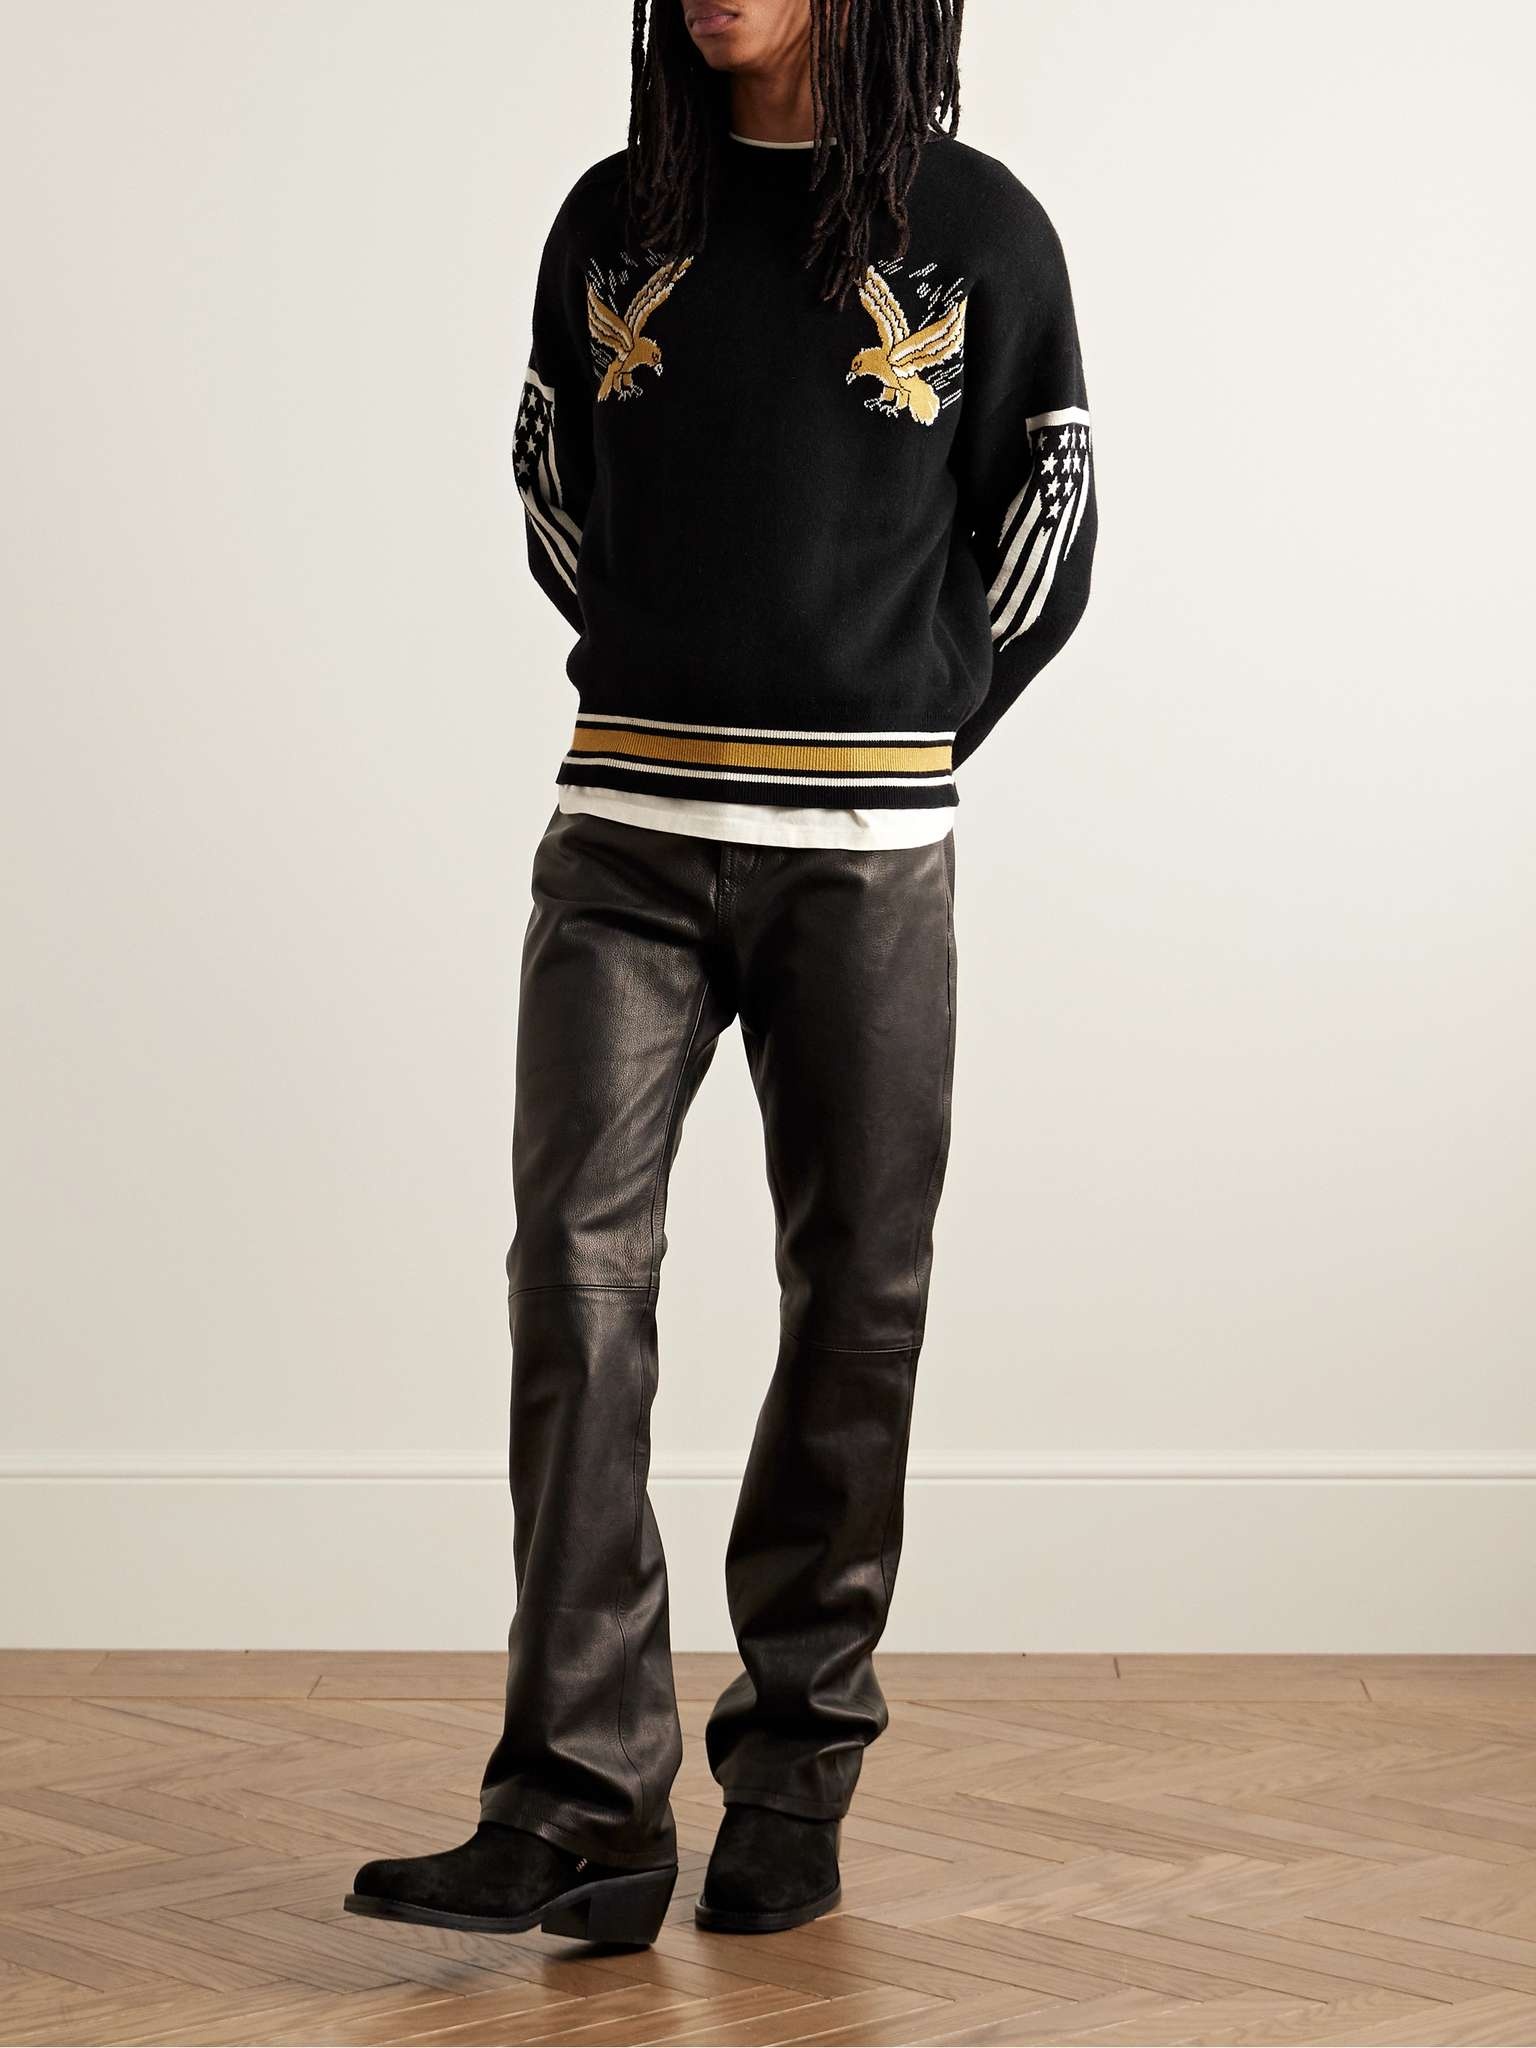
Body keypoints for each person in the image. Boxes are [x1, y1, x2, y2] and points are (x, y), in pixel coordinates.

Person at [345, 0, 1096, 1946]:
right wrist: (677, 665)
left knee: (856, 1295)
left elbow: (1050, 524)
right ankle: (582, 1802)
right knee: (573, 1277)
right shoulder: (615, 221)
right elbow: (555, 487)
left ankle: (793, 1775)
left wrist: (894, 720)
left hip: (867, 859)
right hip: (626, 838)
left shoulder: (979, 233)